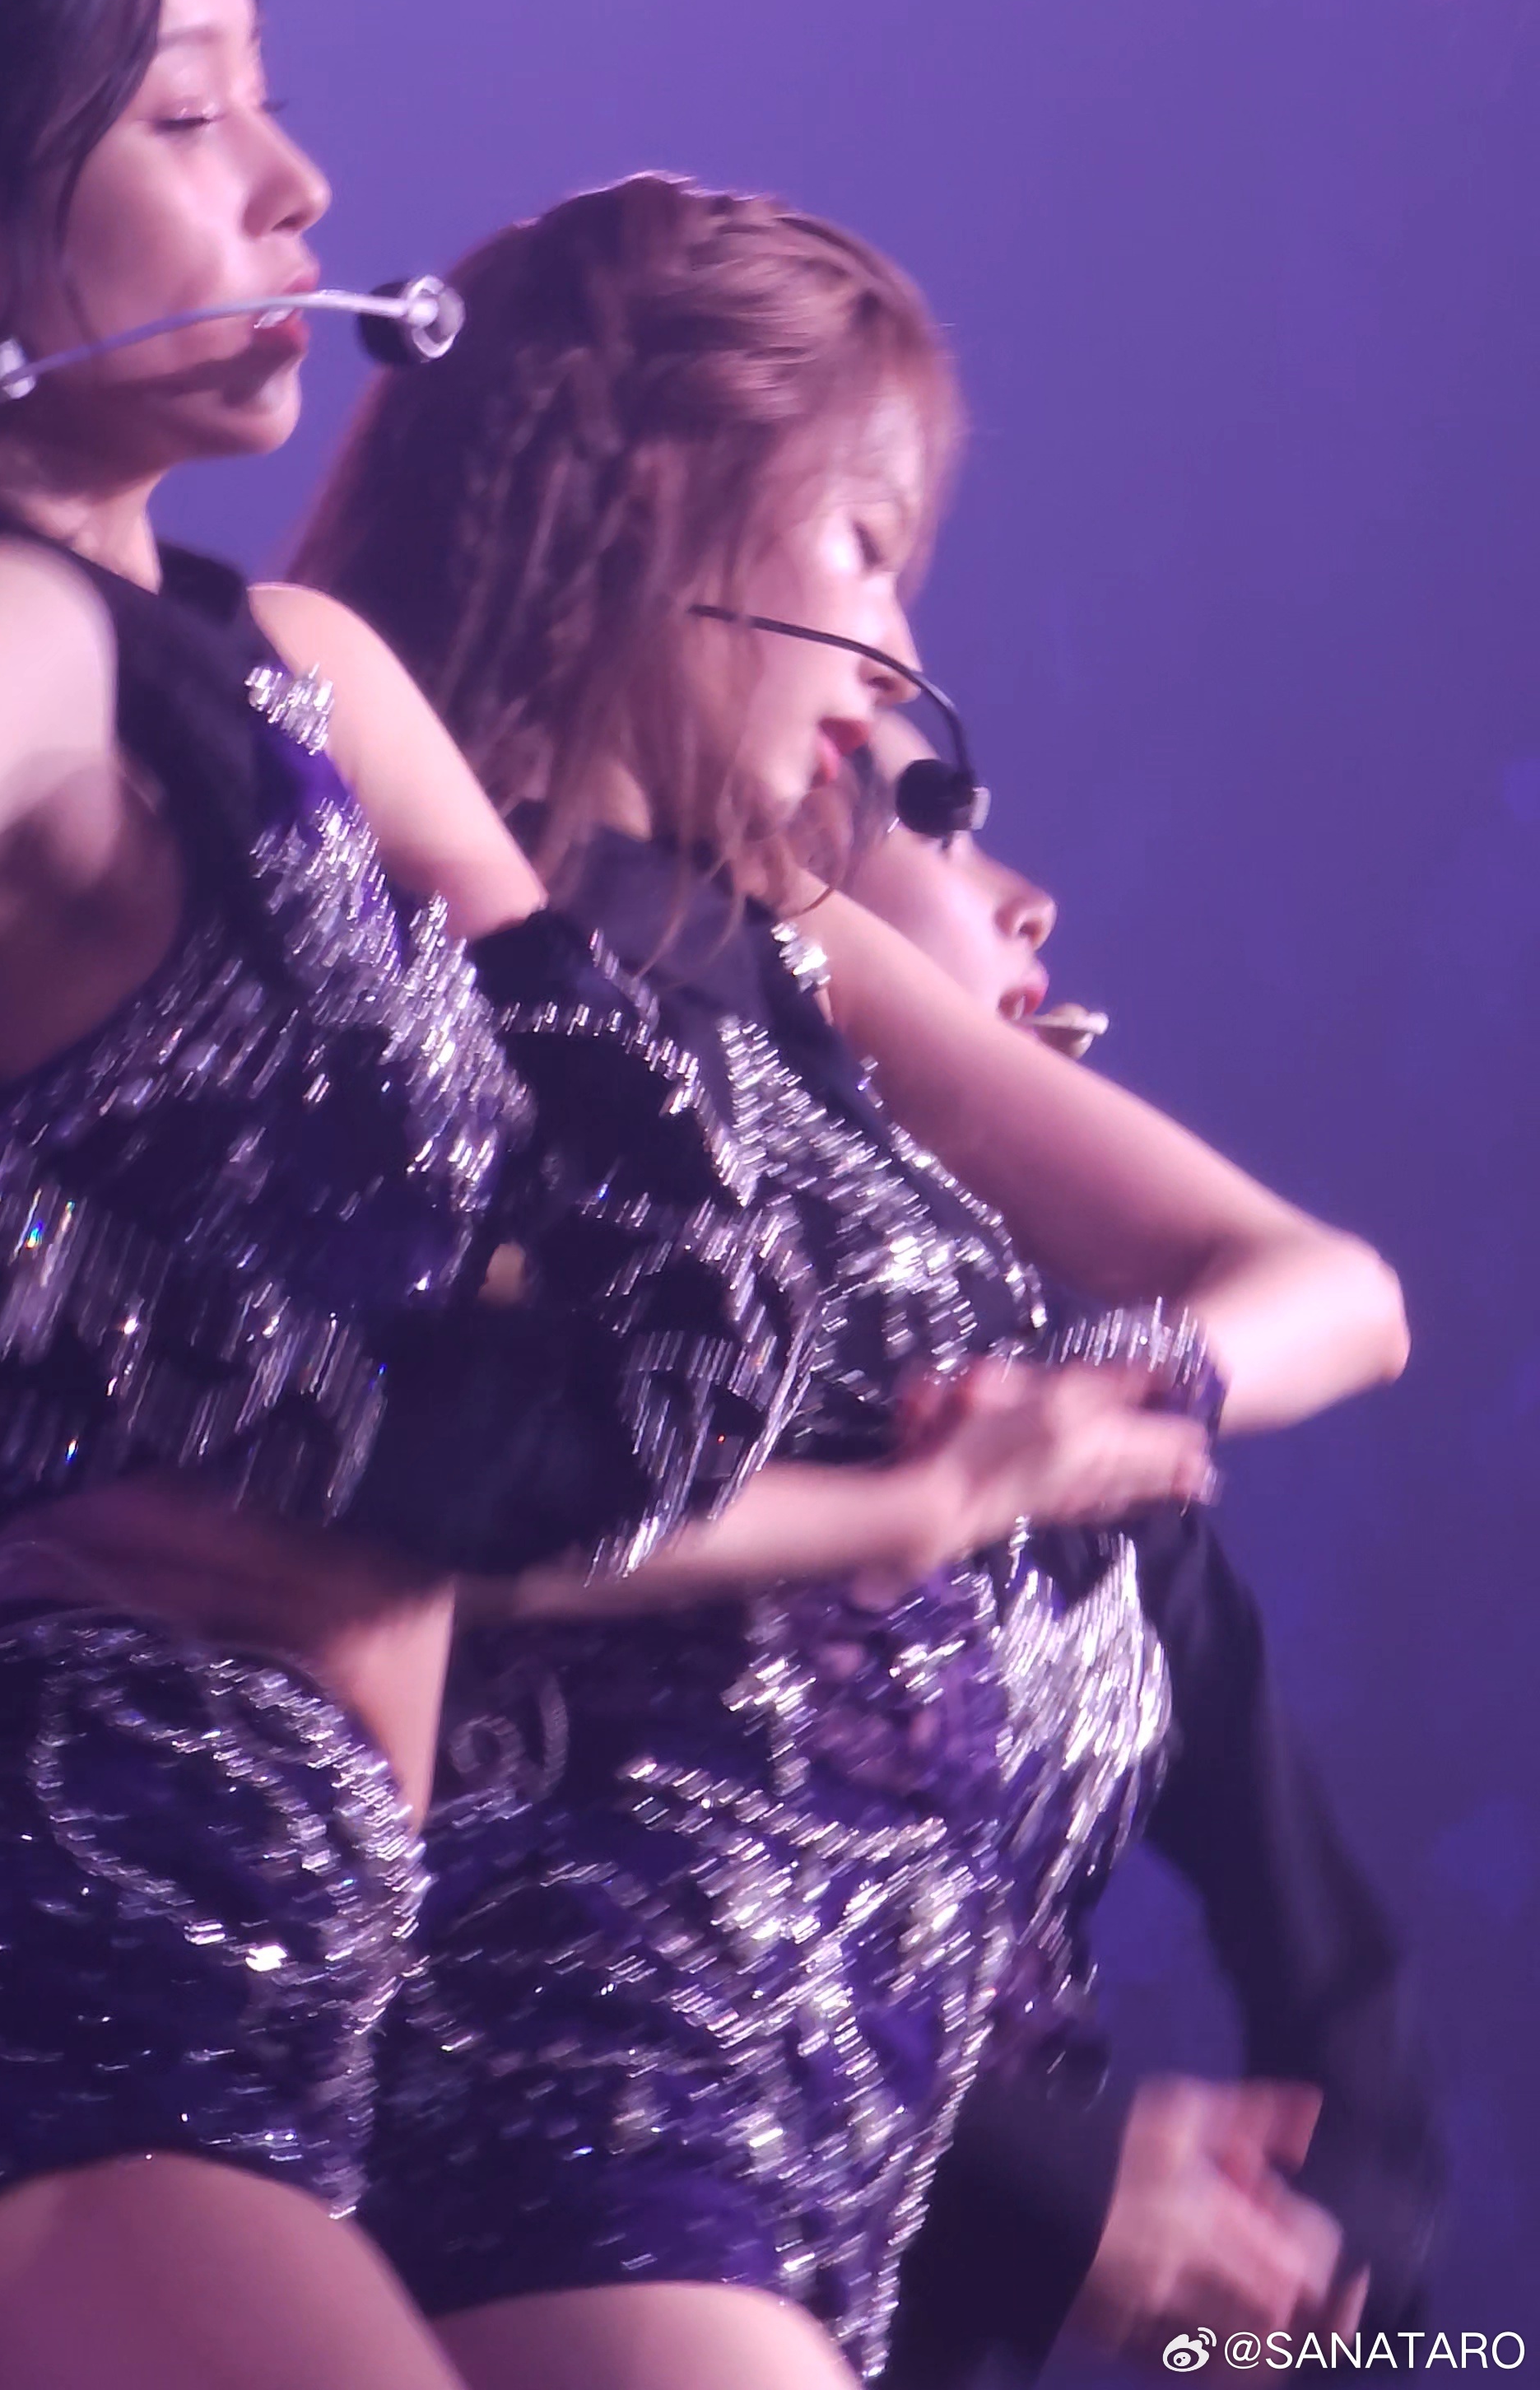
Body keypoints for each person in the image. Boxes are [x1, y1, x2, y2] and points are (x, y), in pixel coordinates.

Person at [0, 0, 852, 2390]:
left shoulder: (312, 681)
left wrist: (572, 1425)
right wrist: (249, 1399)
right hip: (38, 1935)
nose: (299, 184)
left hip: (280, 1974)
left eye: (265, 95)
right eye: (186, 116)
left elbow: (678, 1213)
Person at [293, 170, 1409, 2390]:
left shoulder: (788, 950)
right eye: (867, 547)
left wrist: (1106, 1385)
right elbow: (373, 1545)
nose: (898, 656)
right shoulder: (392, 941)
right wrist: (930, 1494)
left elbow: (1322, 1288)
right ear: (658, 497)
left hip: (856, 2176)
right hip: (597, 2119)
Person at [843, 719, 1442, 2383]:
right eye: (938, 820)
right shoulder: (674, 1375)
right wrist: (1043, 2188)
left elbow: (1328, 1969)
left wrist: (1332, 2257)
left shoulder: (1104, 1473)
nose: (1030, 898)